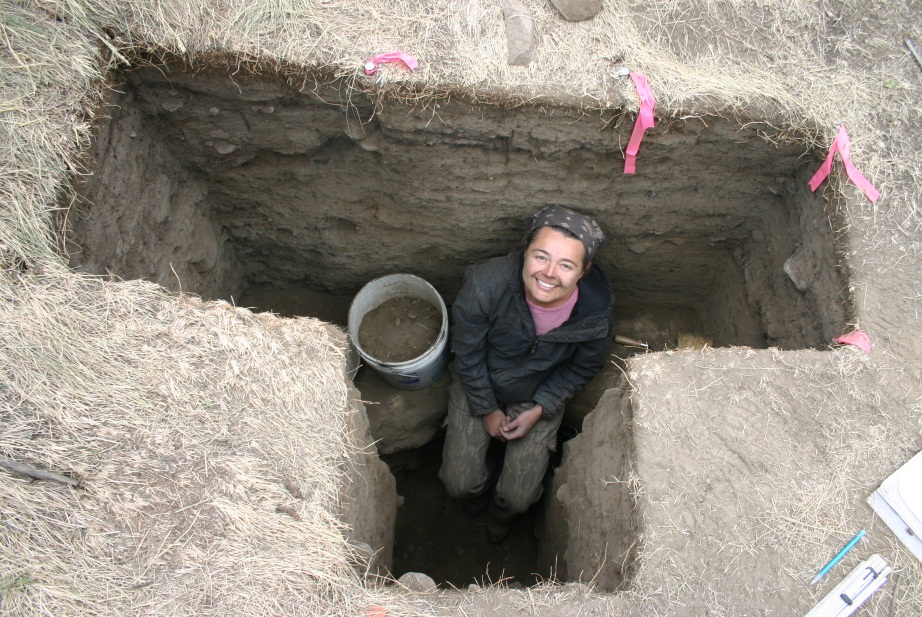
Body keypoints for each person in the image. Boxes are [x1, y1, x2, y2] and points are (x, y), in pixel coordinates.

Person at [439, 205, 614, 543]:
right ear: (525, 252)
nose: (549, 273)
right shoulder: (485, 285)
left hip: (539, 393)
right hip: (480, 383)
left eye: (566, 265)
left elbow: (584, 365)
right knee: (458, 483)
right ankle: (475, 500)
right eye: (541, 257)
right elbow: (468, 352)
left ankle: (500, 518)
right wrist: (487, 409)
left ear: (584, 270)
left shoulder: (595, 314)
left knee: (517, 497)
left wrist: (541, 408)